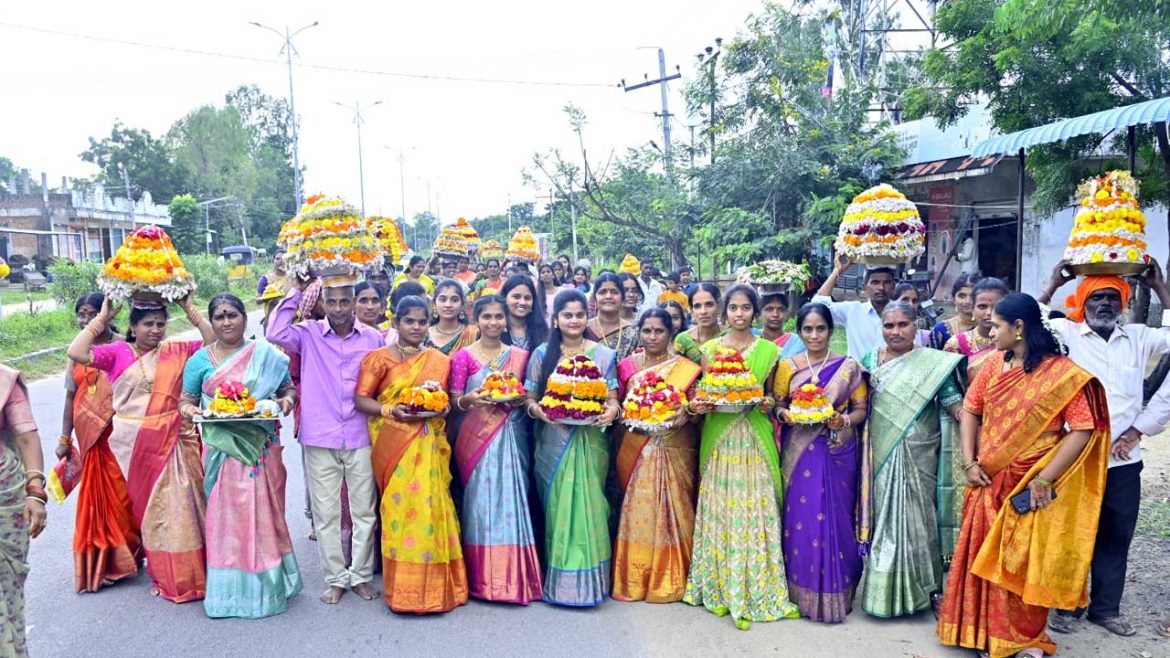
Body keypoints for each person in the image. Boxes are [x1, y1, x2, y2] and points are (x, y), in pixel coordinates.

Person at [937, 292, 1110, 658]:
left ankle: (1022, 639)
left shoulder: (1061, 373)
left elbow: (1082, 428)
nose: (989, 330)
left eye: (997, 325)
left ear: (1018, 328)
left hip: (1029, 481)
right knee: (981, 556)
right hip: (988, 477)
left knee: (1020, 561)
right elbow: (970, 410)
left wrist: (1045, 478)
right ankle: (981, 632)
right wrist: (969, 462)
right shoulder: (992, 366)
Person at [1037, 264, 1170, 638]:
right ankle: (1065, 605)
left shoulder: (1140, 338)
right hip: (1074, 456)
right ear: (1084, 302)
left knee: (1115, 533)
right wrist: (1053, 283)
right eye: (1098, 296)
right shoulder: (1065, 334)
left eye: (1113, 296)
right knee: (1071, 532)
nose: (1106, 303)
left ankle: (1105, 609)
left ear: (1124, 303)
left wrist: (1159, 286)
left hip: (1124, 458)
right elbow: (1027, 316)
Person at [66, 294, 214, 603]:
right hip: (131, 445)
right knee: (150, 513)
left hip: (173, 438)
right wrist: (101, 319)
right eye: (148, 324)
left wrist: (189, 309)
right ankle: (162, 570)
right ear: (134, 326)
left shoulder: (176, 351)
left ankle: (187, 575)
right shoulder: (118, 352)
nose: (156, 330)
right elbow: (76, 351)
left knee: (179, 507)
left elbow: (213, 345)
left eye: (161, 323)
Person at [178, 294, 301, 618]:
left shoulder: (266, 355)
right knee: (225, 518)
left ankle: (270, 585)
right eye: (219, 316)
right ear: (212, 321)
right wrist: (192, 411)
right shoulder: (200, 361)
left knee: (264, 513)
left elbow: (288, 390)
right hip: (221, 450)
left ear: (244, 318)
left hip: (261, 445)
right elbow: (185, 400)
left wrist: (285, 404)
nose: (226, 321)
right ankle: (229, 593)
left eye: (232, 315)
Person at [684, 285, 799, 629]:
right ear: (724, 311)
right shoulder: (709, 350)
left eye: (745, 308)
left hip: (754, 438)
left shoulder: (768, 351)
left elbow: (769, 398)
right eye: (733, 308)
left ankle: (758, 590)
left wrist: (766, 404)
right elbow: (706, 392)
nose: (738, 314)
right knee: (721, 508)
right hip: (720, 439)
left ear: (755, 311)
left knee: (755, 509)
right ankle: (719, 589)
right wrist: (698, 404)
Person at [266, 279, 383, 605]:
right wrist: (297, 289)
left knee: (364, 512)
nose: (339, 309)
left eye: (345, 302)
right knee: (326, 514)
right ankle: (336, 579)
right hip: (320, 435)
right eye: (332, 302)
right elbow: (274, 331)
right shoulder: (308, 334)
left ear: (355, 302)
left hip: (361, 434)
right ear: (322, 304)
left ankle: (360, 576)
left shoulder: (373, 338)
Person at [354, 295, 469, 613]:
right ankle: (403, 591)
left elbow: (441, 401)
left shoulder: (438, 360)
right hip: (393, 442)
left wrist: (442, 407)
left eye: (422, 321)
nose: (417, 327)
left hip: (427, 442)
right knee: (397, 512)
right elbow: (361, 400)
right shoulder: (378, 359)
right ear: (396, 323)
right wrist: (392, 410)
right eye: (410, 321)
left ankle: (436, 590)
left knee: (432, 508)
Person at [858, 302, 963, 618]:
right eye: (889, 326)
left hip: (920, 451)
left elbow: (952, 403)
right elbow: (858, 402)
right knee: (884, 520)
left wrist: (979, 423)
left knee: (920, 519)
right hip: (881, 450)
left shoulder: (932, 364)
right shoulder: (869, 359)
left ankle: (928, 589)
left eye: (903, 324)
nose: (896, 331)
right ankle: (881, 594)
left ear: (916, 326)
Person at [523, 289, 621, 606]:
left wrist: (610, 412)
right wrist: (539, 411)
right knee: (557, 511)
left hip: (591, 441)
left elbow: (613, 400)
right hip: (552, 441)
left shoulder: (603, 354)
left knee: (591, 504)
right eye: (567, 315)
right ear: (556, 319)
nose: (574, 320)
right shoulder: (542, 354)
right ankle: (561, 582)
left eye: (580, 314)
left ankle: (592, 584)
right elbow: (529, 398)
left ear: (586, 316)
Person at [774, 302, 869, 623]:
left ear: (831, 330)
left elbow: (860, 409)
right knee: (801, 515)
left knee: (836, 517)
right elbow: (778, 404)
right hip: (799, 453)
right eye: (808, 329)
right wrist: (785, 414)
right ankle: (799, 593)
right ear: (799, 332)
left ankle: (838, 592)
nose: (814, 335)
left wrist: (843, 421)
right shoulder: (788, 366)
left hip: (837, 451)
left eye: (821, 328)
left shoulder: (848, 367)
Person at [448, 295, 542, 604]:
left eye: (498, 317)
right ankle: (482, 580)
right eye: (486, 316)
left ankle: (514, 578)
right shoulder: (463, 357)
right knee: (480, 503)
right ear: (475, 320)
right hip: (475, 439)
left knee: (513, 499)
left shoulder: (520, 355)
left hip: (512, 435)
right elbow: (454, 402)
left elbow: (525, 394)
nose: (493, 322)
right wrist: (472, 399)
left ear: (505, 320)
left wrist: (516, 399)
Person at [612, 309, 701, 603]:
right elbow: (620, 406)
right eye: (647, 331)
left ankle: (673, 577)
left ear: (670, 332)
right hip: (636, 446)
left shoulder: (687, 368)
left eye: (658, 331)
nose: (652, 337)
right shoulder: (626, 366)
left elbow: (696, 410)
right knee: (639, 510)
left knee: (676, 509)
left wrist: (685, 415)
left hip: (676, 447)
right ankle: (636, 578)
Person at [57, 293, 138, 593]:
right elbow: (69, 396)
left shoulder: (123, 345)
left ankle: (129, 552)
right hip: (89, 437)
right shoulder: (76, 351)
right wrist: (65, 438)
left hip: (117, 434)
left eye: (91, 313)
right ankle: (104, 564)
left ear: (107, 314)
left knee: (122, 498)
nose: (84, 319)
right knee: (96, 503)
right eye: (81, 313)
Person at [0, 363, 46, 657]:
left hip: (5, 496)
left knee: (6, 592)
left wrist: (36, 494)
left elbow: (27, 437)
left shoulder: (4, 380)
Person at [812, 253, 897, 360]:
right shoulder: (852, 310)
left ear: (893, 286)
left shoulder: (900, 313)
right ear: (865, 287)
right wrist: (837, 271)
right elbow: (817, 308)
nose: (881, 287)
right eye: (875, 282)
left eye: (886, 282)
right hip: (858, 375)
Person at [944, 277, 1011, 382]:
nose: (989, 312)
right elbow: (948, 384)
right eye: (982, 306)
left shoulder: (1015, 342)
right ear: (972, 309)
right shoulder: (957, 344)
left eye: (996, 306)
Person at [586, 272, 640, 361]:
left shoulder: (634, 333)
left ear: (622, 297)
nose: (608, 296)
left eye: (614, 292)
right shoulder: (584, 329)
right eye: (602, 292)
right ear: (595, 298)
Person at [426, 279, 477, 356]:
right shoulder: (424, 335)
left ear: (462, 305)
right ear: (434, 304)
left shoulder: (474, 334)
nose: (448, 305)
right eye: (443, 299)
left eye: (454, 300)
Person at [930, 272, 981, 349]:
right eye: (962, 296)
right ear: (954, 299)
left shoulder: (991, 328)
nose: (967, 301)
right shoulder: (941, 330)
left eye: (973, 296)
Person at [674, 283, 721, 363]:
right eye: (697, 306)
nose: (703, 311)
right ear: (691, 311)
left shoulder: (730, 335)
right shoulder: (683, 340)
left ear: (719, 306)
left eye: (709, 305)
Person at [499, 274, 547, 351]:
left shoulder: (542, 331)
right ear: (505, 298)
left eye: (527, 298)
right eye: (516, 297)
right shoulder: (495, 328)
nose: (522, 302)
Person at [759, 292, 806, 359]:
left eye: (781, 310)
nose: (775, 314)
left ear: (787, 313)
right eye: (769, 309)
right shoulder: (752, 339)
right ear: (760, 313)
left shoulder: (796, 343)